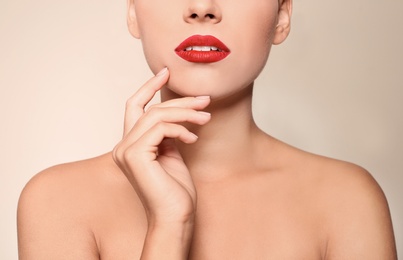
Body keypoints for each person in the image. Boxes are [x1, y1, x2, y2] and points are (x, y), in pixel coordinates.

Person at [17, 0, 397, 259]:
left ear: (282, 17)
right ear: (133, 12)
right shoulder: (57, 202)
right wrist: (169, 225)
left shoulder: (346, 199)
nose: (202, 8)